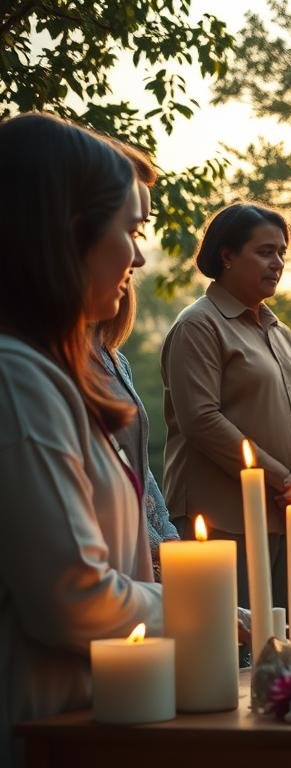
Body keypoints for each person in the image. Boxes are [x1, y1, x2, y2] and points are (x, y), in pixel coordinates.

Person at [0, 113, 163, 765]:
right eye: (130, 228)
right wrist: (187, 603)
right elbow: (73, 596)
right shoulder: (17, 379)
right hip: (37, 726)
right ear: (72, 232)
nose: (138, 255)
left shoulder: (54, 375)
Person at [161, 202, 291, 617]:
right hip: (222, 519)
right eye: (266, 251)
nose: (279, 263)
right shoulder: (199, 325)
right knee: (231, 653)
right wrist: (279, 476)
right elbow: (201, 420)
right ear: (227, 256)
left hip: (288, 514)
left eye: (283, 252)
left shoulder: (279, 331)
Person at [93, 143, 180, 582]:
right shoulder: (28, 373)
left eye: (140, 233)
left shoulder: (113, 360)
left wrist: (175, 551)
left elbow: (141, 477)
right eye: (130, 232)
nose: (139, 258)